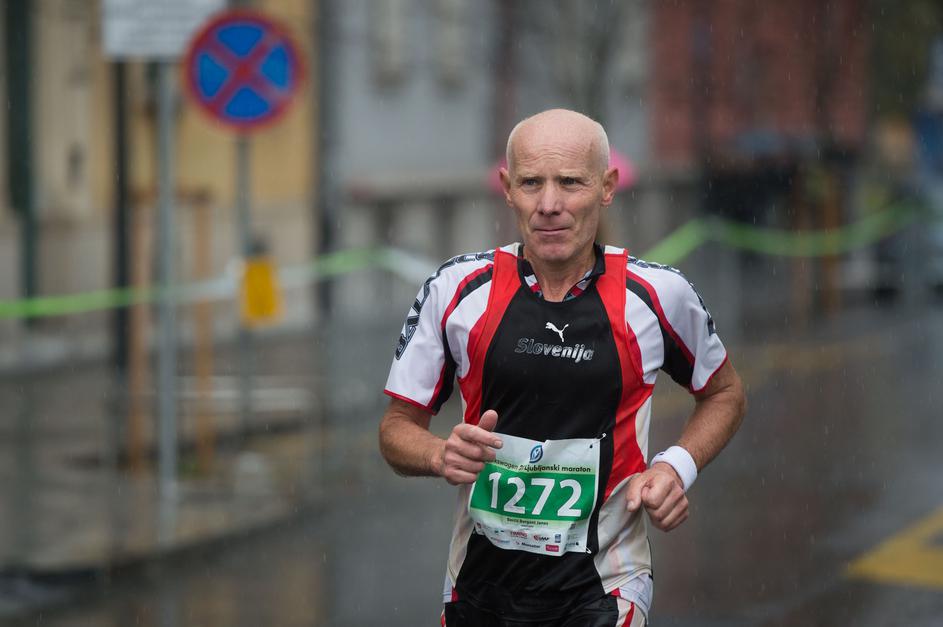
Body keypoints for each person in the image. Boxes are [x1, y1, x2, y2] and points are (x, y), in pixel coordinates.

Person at [379, 109, 746, 626]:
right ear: (507, 188)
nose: (549, 204)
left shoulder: (657, 295)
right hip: (478, 587)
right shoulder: (456, 291)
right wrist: (439, 455)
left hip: (604, 587)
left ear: (607, 187)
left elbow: (725, 394)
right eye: (531, 183)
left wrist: (674, 467)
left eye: (570, 182)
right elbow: (395, 430)